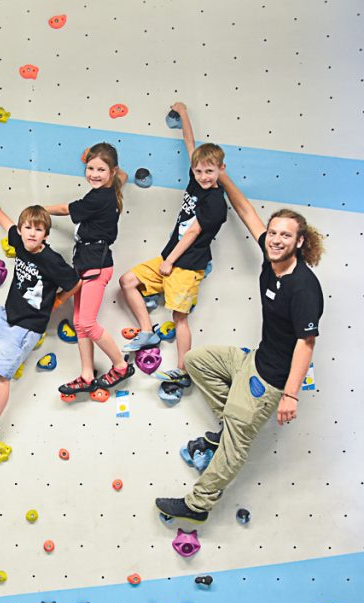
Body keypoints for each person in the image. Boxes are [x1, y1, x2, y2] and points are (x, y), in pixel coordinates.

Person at [155, 170, 325, 522]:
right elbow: (247, 212)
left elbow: (305, 344)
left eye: (285, 235)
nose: (275, 239)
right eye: (274, 232)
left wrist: (291, 394)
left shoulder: (304, 287)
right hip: (252, 360)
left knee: (234, 448)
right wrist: (223, 177)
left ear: (299, 241)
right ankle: (230, 423)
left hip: (272, 380)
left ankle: (197, 506)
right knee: (198, 361)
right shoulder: (271, 255)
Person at [0, 173, 81, 450]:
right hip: (5, 316)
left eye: (37, 230)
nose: (30, 233)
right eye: (27, 227)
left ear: (45, 235)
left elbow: (75, 282)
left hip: (26, 328)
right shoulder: (18, 240)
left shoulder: (51, 260)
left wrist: (59, 301)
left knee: (2, 375)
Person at [118, 102, 227, 398]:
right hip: (168, 259)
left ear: (221, 170)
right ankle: (146, 331)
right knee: (128, 281)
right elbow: (191, 145)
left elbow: (193, 232)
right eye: (199, 170)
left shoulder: (216, 203)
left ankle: (182, 370)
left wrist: (170, 262)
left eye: (209, 171)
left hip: (186, 265)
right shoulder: (196, 182)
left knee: (180, 318)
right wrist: (185, 115)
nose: (203, 175)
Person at [43, 143, 134, 397]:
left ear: (111, 171)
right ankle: (86, 376)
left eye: (101, 169)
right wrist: (111, 168)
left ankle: (120, 365)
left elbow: (66, 210)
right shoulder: (113, 187)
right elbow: (123, 176)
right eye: (90, 168)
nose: (94, 173)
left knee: (87, 323)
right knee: (79, 323)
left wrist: (41, 209)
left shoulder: (98, 197)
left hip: (96, 264)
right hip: (86, 261)